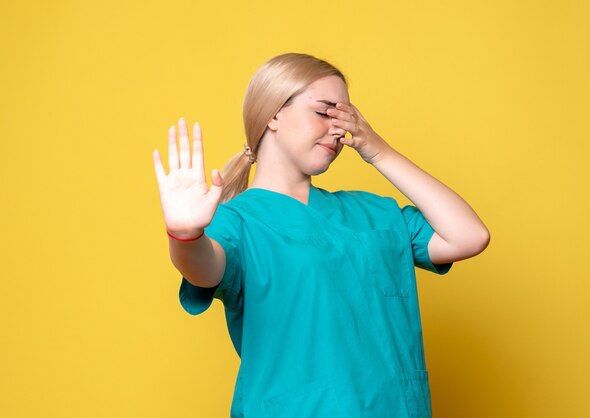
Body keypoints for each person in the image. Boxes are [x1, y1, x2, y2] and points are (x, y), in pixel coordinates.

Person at [152, 52, 489, 418]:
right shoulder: (238, 221)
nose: (339, 129)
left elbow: (469, 236)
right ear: (274, 113)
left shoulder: (374, 213)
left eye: (345, 116)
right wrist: (183, 235)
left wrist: (378, 150)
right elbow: (204, 266)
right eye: (324, 111)